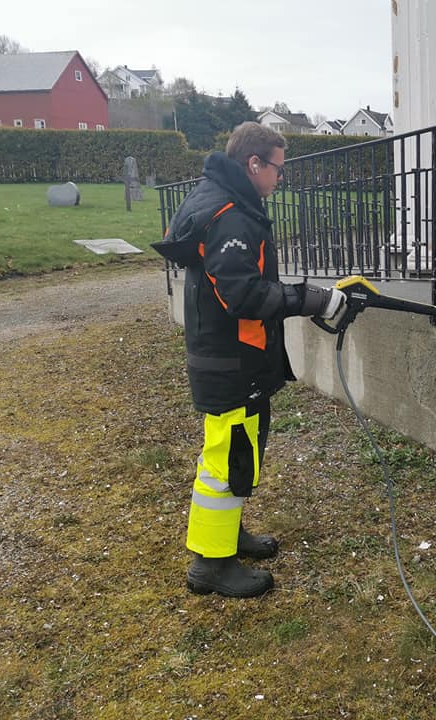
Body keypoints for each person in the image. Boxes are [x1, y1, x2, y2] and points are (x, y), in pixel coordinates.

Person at [152, 121, 345, 598]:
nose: (281, 177)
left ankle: (227, 533)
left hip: (235, 356)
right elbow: (243, 295)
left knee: (238, 453)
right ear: (254, 164)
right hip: (230, 359)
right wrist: (311, 299)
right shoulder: (231, 217)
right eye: (278, 168)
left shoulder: (226, 202)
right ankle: (211, 564)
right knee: (228, 458)